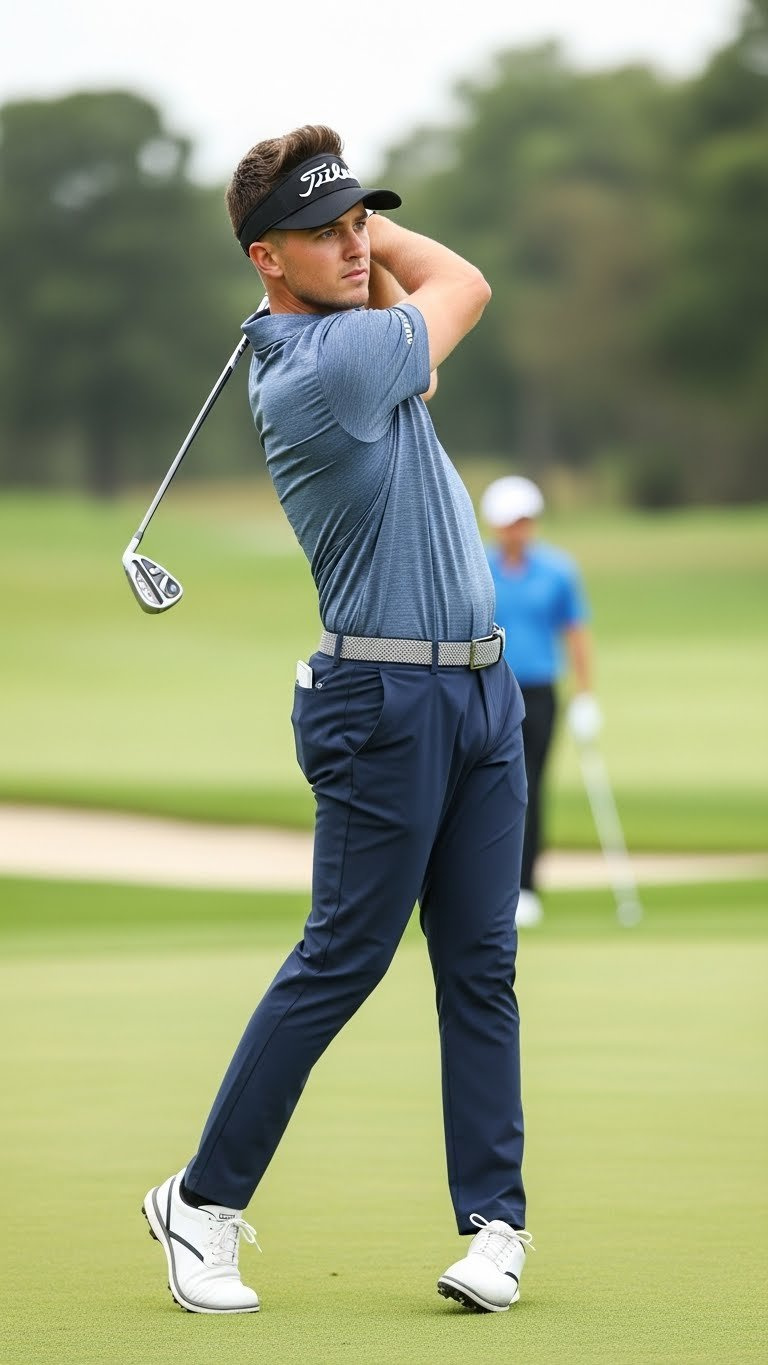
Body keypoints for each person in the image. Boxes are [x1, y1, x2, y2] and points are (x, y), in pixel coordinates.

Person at [142, 125, 535, 1318]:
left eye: (364, 220)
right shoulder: (332, 368)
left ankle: (495, 1224)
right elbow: (462, 281)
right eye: (324, 231)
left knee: (481, 963)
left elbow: (404, 282)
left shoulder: (349, 333)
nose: (358, 243)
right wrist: (369, 251)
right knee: (344, 958)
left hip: (481, 690)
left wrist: (346, 221)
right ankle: (199, 1203)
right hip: (384, 701)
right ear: (265, 258)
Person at [481, 475, 602, 927]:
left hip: (539, 694)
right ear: (495, 524)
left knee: (527, 786)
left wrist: (586, 697)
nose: (520, 529)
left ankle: (525, 887)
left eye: (527, 520)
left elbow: (576, 634)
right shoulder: (475, 568)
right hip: (488, 689)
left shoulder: (557, 570)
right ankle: (480, 884)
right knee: (480, 788)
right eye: (512, 521)